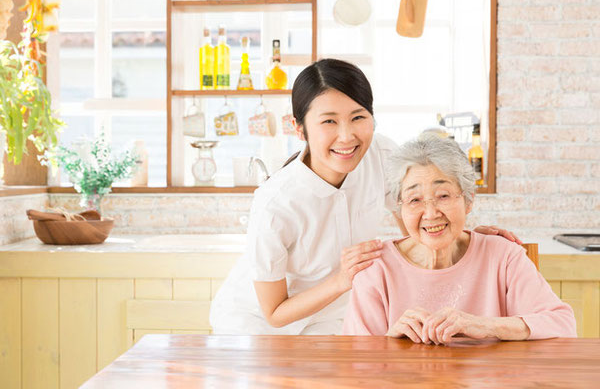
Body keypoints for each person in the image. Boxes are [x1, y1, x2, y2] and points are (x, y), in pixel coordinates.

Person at [210, 59, 520, 335]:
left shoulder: (382, 154)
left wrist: (462, 235)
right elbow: (275, 313)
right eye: (329, 121)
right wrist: (343, 279)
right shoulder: (276, 203)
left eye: (358, 118)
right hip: (255, 327)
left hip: (333, 319)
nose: (346, 136)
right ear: (299, 129)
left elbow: (419, 224)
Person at [342, 135, 576, 343]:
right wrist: (389, 341)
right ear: (400, 207)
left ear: (469, 200)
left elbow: (562, 325)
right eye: (415, 200)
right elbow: (357, 363)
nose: (431, 213)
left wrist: (483, 325)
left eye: (443, 195)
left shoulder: (503, 256)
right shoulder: (376, 268)